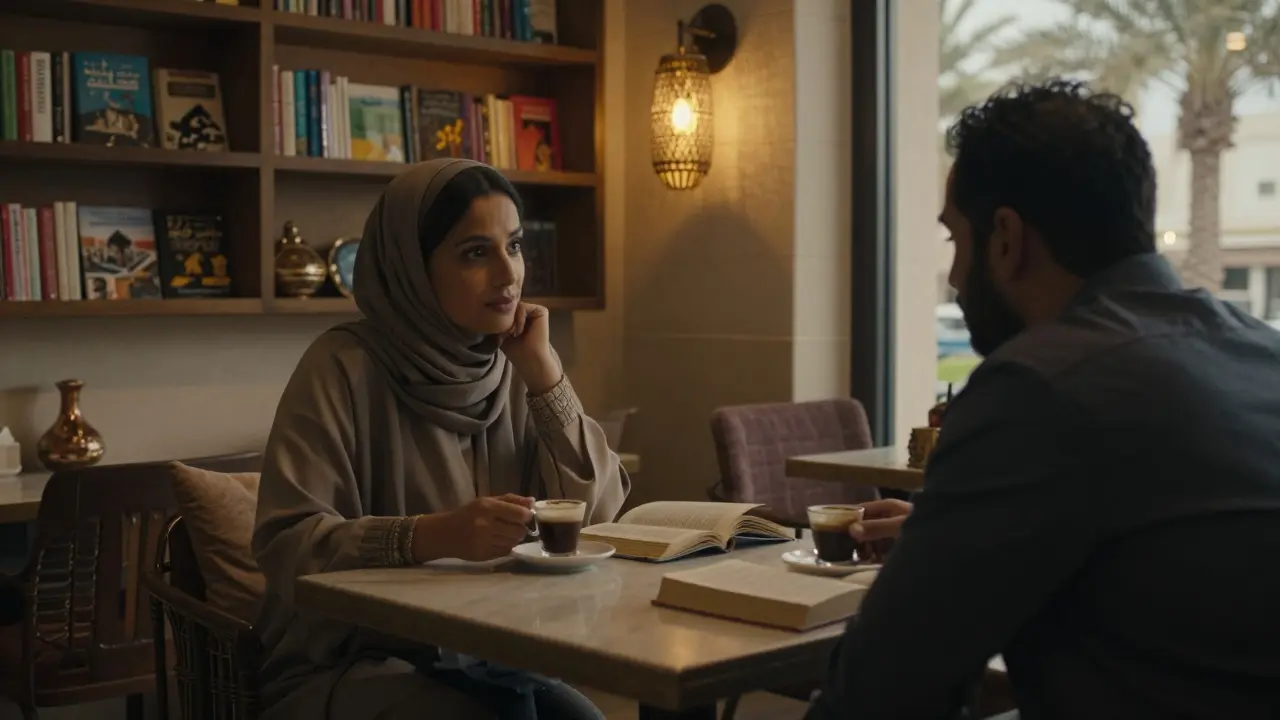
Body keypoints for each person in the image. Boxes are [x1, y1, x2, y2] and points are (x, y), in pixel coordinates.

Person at [806, 79, 1280, 719]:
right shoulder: (1259, 354)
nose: (952, 276)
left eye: (955, 240)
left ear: (1005, 237)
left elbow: (881, 694)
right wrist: (951, 536)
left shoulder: (1039, 386)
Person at [252, 158, 630, 720]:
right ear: (413, 268)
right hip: (346, 662)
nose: (508, 275)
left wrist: (546, 376)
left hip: (493, 653)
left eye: (515, 245)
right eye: (476, 252)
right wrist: (433, 535)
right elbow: (288, 546)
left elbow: (598, 519)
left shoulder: (511, 364)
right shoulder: (342, 367)